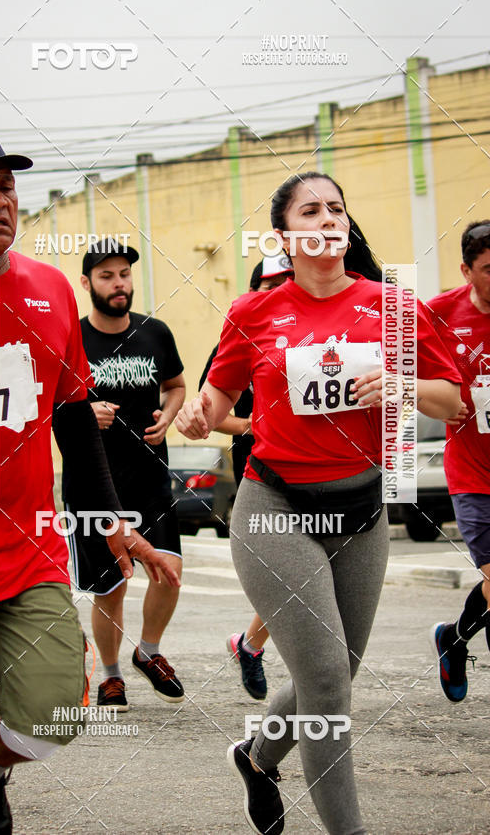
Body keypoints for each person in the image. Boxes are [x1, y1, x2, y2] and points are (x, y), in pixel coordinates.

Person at [0, 131, 179, 835]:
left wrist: (113, 521)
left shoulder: (48, 289)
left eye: (6, 187)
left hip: (27, 551)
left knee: (55, 715)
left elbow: (73, 416)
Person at [175, 171, 461, 835]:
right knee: (328, 684)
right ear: (284, 235)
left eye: (337, 206)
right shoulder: (255, 312)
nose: (328, 217)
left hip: (361, 515)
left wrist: (401, 386)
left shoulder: (391, 308)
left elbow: (454, 400)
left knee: (331, 678)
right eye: (311, 210)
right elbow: (216, 405)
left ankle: (256, 756)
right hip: (274, 508)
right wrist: (195, 417)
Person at [54, 238, 186, 712]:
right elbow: (51, 407)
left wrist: (169, 415)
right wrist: (86, 412)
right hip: (92, 484)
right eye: (107, 276)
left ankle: (148, 651)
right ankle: (111, 677)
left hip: (150, 477)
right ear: (87, 283)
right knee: (112, 585)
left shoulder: (156, 333)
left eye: (125, 274)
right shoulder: (71, 339)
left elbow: (175, 387)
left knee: (168, 570)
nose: (119, 284)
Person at [199, 255, 293, 701]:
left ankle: (250, 644)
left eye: (286, 281)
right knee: (288, 576)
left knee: (306, 577)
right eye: (269, 283)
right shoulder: (239, 335)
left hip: (317, 475)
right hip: (261, 478)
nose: (277, 291)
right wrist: (252, 425)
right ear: (254, 290)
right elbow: (208, 411)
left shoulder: (310, 335)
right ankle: (258, 648)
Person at [427, 221, 490, 701]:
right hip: (474, 471)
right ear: (466, 270)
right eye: (489, 270)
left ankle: (455, 637)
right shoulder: (437, 315)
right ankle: (454, 638)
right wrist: (444, 400)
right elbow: (407, 374)